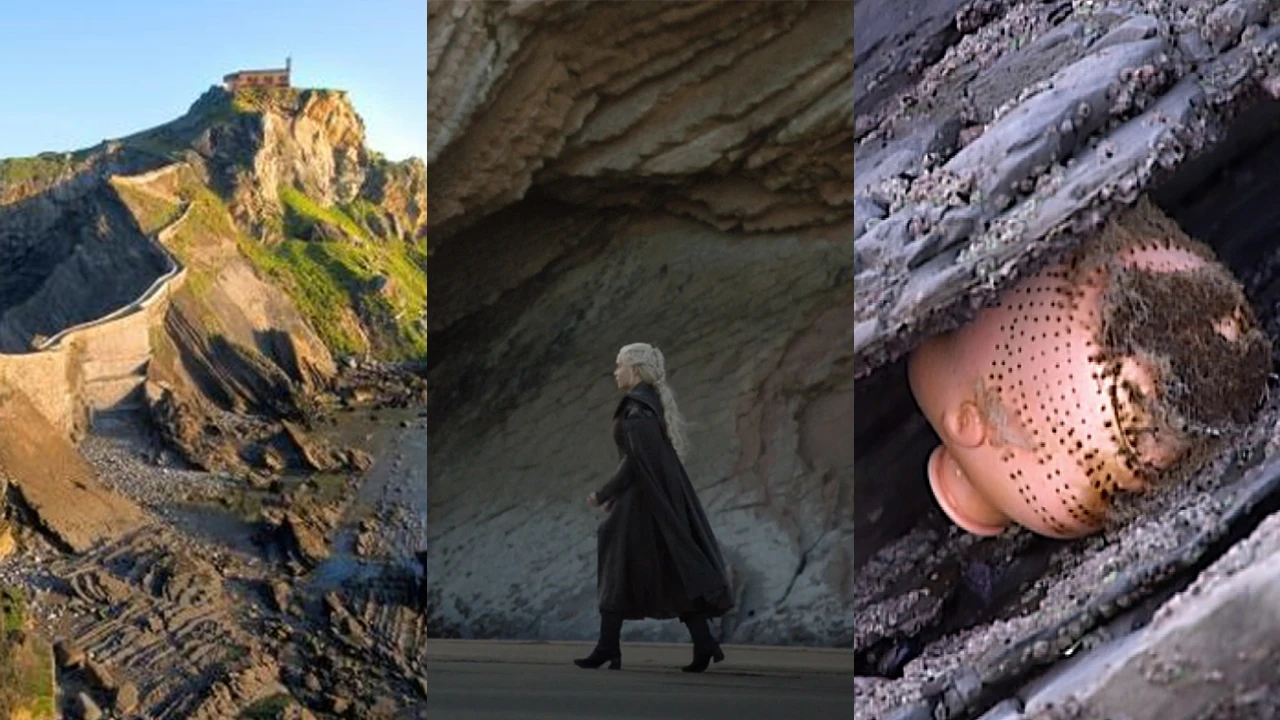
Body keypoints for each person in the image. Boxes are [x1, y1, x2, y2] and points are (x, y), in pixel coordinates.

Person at [573, 342, 735, 673]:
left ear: (635, 370)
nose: (615, 371)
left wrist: (604, 494)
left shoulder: (638, 411)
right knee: (670, 567)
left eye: (619, 365)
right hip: (648, 500)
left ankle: (608, 648)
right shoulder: (644, 406)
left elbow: (635, 462)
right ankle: (703, 643)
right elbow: (643, 463)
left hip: (643, 504)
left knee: (618, 566)